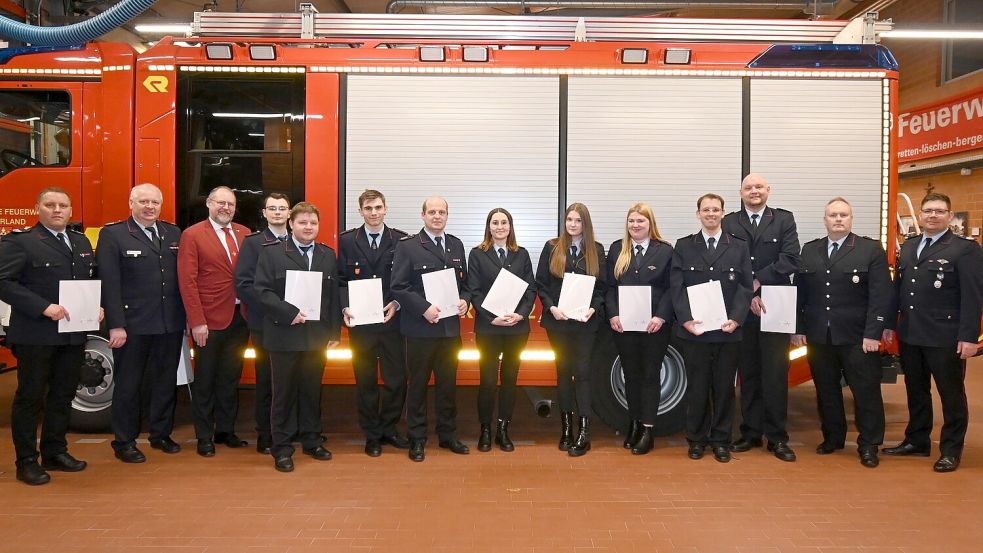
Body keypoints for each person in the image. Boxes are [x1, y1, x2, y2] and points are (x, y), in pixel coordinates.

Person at [0, 188, 101, 485]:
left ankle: (55, 451)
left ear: (71, 210)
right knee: (30, 398)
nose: (57, 210)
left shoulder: (81, 242)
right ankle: (26, 461)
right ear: (38, 208)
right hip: (36, 333)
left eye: (63, 205)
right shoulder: (21, 242)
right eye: (50, 205)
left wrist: (97, 307)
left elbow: (88, 281)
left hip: (72, 334)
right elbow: (3, 281)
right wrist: (43, 307)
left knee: (63, 394)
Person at [883, 192, 983, 473]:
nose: (932, 215)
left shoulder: (965, 249)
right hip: (912, 333)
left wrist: (969, 337)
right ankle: (917, 440)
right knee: (916, 391)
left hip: (946, 336)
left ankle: (951, 450)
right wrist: (890, 325)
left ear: (950, 216)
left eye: (939, 211)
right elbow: (898, 291)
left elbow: (973, 297)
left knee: (951, 395)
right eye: (928, 210)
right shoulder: (911, 246)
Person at [792, 198, 891, 468]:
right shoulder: (810, 250)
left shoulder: (869, 250)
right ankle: (833, 438)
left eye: (843, 215)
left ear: (851, 219)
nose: (838, 219)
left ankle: (869, 444)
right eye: (833, 215)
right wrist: (798, 329)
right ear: (825, 220)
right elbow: (802, 294)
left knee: (865, 391)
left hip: (858, 337)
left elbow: (881, 296)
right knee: (826, 390)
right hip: (820, 336)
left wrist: (874, 333)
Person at [98, 183, 186, 463]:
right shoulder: (113, 235)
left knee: (164, 382)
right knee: (128, 385)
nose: (150, 207)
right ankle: (124, 441)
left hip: (168, 323)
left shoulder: (173, 233)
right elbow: (109, 284)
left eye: (155, 203)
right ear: (131, 203)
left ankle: (161, 434)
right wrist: (116, 324)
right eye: (143, 201)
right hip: (132, 325)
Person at [254, 202, 341, 472]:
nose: (308, 228)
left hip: (316, 336)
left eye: (313, 223)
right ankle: (281, 448)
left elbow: (332, 297)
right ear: (291, 223)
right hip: (284, 334)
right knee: (283, 393)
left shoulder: (327, 255)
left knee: (312, 390)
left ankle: (312, 440)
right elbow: (261, 291)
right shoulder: (272, 254)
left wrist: (334, 332)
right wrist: (288, 312)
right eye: (302, 222)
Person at [722, 173, 800, 462]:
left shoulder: (784, 219)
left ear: (768, 190)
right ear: (740, 193)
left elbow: (791, 258)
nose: (754, 191)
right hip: (743, 306)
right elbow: (727, 262)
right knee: (749, 373)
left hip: (776, 306)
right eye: (748, 188)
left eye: (759, 187)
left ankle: (778, 438)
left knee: (775, 374)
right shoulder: (730, 222)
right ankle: (751, 433)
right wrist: (750, 294)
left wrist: (757, 283)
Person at [670, 193, 752, 463]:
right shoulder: (683, 246)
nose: (711, 214)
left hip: (728, 331)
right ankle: (696, 440)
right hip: (696, 332)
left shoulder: (738, 247)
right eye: (706, 210)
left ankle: (721, 440)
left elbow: (744, 286)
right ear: (698, 214)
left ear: (723, 213)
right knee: (697, 387)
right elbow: (677, 287)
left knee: (724, 388)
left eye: (716, 210)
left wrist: (737, 319)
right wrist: (685, 320)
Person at [390, 196, 471, 462]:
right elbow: (398, 286)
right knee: (418, 387)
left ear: (447, 216)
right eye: (432, 212)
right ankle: (417, 439)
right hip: (420, 330)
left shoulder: (456, 245)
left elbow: (466, 285)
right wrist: (423, 308)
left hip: (449, 331)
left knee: (448, 386)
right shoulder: (408, 246)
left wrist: (465, 301)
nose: (437, 216)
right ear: (423, 215)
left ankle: (448, 435)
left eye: (442, 212)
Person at [177, 185, 251, 457]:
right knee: (205, 380)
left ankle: (226, 431)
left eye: (230, 204)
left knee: (231, 378)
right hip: (208, 321)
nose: (226, 208)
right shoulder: (193, 235)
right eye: (220, 203)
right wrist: (196, 321)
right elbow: (187, 281)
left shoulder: (245, 234)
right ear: (208, 204)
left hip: (239, 318)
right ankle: (204, 436)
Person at [339, 189, 410, 457]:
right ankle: (372, 434)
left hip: (392, 323)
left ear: (386, 209)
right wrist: (345, 306)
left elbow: (404, 280)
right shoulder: (348, 241)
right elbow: (341, 280)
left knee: (397, 380)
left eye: (378, 207)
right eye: (368, 209)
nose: (374, 213)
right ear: (360, 212)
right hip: (362, 326)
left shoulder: (401, 240)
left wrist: (397, 303)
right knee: (366, 380)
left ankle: (389, 429)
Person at [536, 202, 606, 457]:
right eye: (569, 220)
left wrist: (593, 308)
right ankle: (566, 430)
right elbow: (541, 283)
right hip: (558, 321)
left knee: (583, 373)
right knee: (563, 373)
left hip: (585, 324)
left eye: (578, 220)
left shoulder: (596, 250)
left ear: (585, 224)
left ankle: (584, 432)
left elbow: (602, 288)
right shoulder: (552, 247)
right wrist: (551, 307)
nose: (573, 224)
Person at [605, 203, 673, 455]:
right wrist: (612, 314)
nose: (635, 225)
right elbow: (609, 287)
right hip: (624, 327)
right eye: (631, 221)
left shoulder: (665, 251)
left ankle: (647, 429)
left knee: (649, 375)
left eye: (640, 221)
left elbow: (670, 288)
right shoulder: (617, 249)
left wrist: (661, 316)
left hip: (654, 327)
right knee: (630, 375)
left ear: (650, 224)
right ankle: (633, 423)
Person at [466, 208, 536, 452]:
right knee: (487, 381)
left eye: (504, 223)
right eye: (495, 223)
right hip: (489, 327)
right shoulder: (477, 254)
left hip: (516, 328)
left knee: (509, 380)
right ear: (488, 226)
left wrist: (521, 314)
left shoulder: (521, 254)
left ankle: (503, 430)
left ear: (510, 226)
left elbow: (530, 290)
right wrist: (490, 317)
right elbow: (473, 290)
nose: (499, 227)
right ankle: (485, 430)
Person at [236, 193, 291, 455]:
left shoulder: (298, 241)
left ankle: (290, 430)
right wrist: (273, 310)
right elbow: (245, 284)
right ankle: (265, 435)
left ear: (289, 213)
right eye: (273, 208)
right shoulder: (254, 243)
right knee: (267, 381)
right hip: (265, 323)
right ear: (264, 213)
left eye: (282, 208)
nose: (278, 213)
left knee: (291, 380)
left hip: (295, 323)